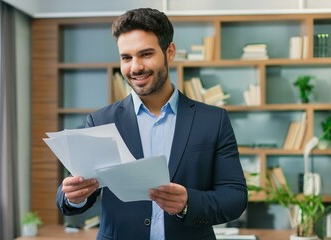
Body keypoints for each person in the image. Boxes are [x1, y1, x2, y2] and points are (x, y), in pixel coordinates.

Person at [56, 8, 247, 240]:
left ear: (170, 52)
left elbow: (235, 197)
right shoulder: (100, 121)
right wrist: (74, 196)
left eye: (145, 54)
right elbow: (72, 192)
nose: (135, 67)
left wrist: (188, 203)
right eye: (126, 57)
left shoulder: (213, 120)